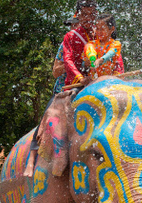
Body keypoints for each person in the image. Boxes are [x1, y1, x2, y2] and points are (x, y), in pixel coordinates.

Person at [23, 0, 100, 178]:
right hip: (67, 86)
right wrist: (75, 63)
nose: (75, 25)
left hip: (93, 84)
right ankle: (32, 157)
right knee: (49, 115)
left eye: (92, 15)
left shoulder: (97, 36)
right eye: (74, 22)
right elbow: (56, 70)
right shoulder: (68, 40)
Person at [82, 14, 123, 80]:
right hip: (94, 80)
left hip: (110, 80)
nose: (99, 32)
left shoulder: (116, 44)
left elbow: (110, 54)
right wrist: (86, 63)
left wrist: (100, 60)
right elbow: (83, 64)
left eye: (102, 29)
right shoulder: (91, 44)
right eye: (97, 29)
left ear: (112, 29)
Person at [52, 17, 80, 95]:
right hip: (62, 91)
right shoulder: (64, 45)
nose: (73, 29)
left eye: (76, 25)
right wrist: (71, 63)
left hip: (84, 90)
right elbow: (55, 73)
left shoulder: (92, 43)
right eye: (72, 26)